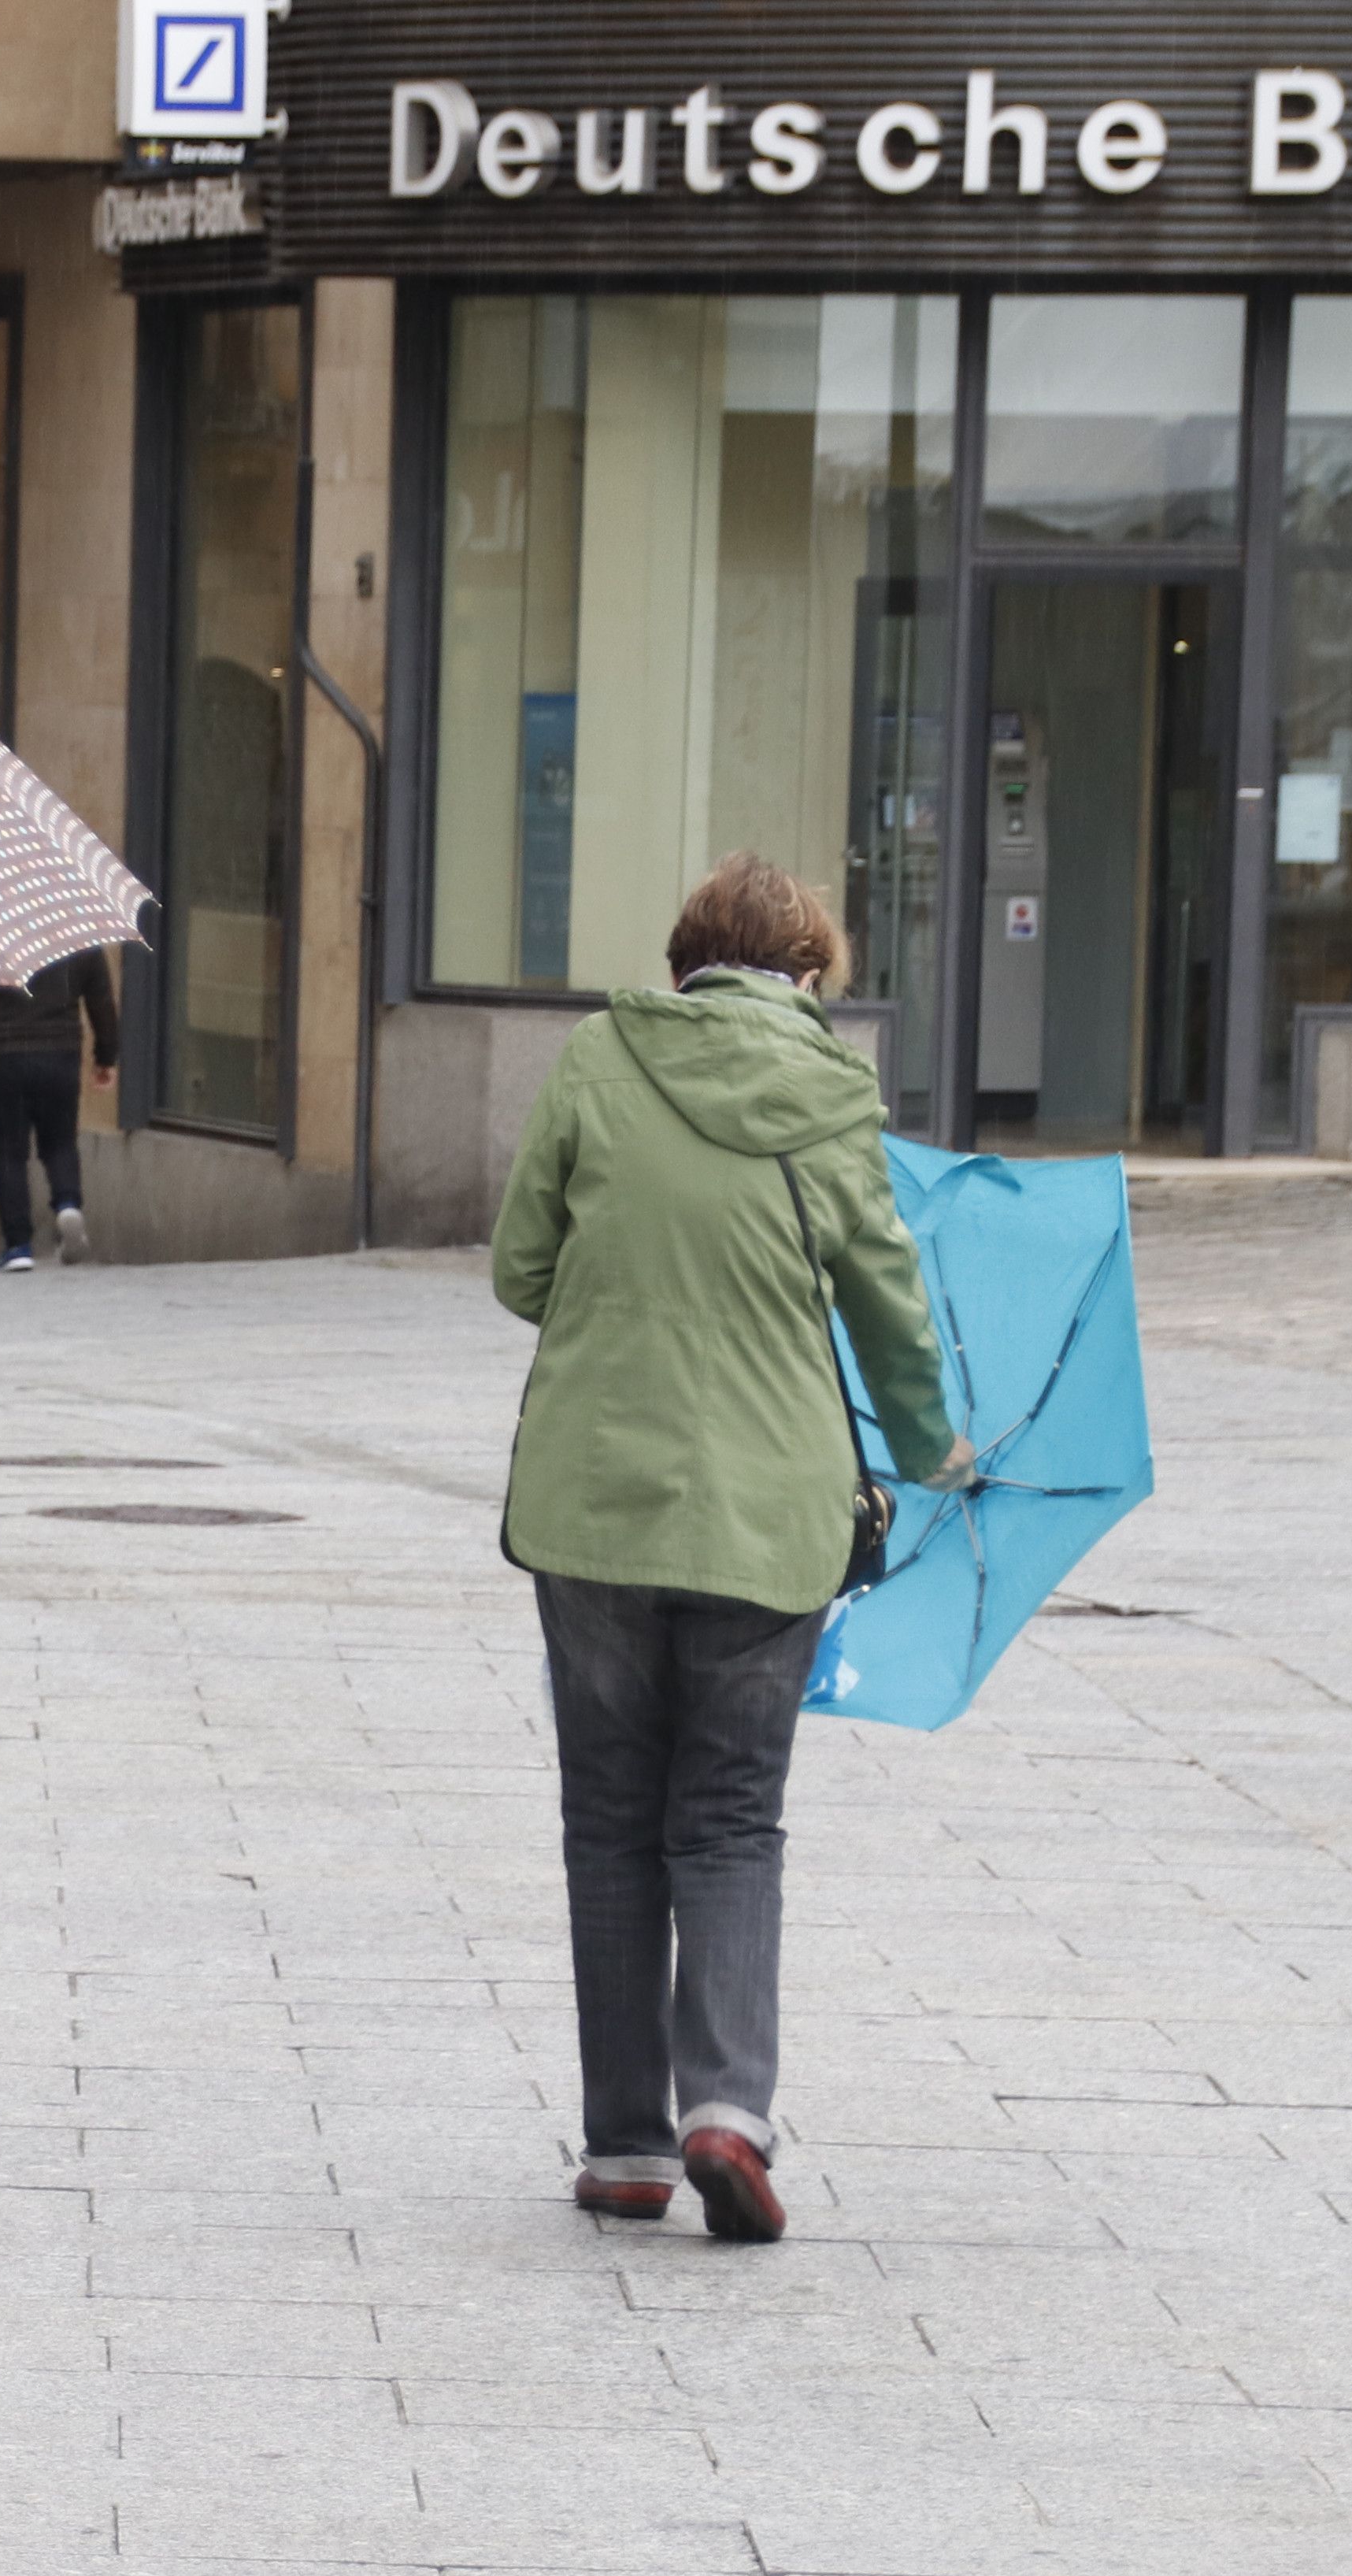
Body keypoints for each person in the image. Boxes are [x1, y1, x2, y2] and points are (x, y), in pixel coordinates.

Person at [488, 856, 959, 2246]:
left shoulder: (596, 1059)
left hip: (596, 1501)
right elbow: (888, 1310)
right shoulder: (832, 1097)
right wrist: (933, 1448)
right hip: (771, 1517)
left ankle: (627, 2145)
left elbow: (521, 1270)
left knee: (608, 1819)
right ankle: (727, 2114)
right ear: (809, 974)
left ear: (683, 959)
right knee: (731, 1817)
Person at [0, 947, 123, 1269]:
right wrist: (106, 1056)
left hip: (4, 1055)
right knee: (61, 1142)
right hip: (61, 1053)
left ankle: (18, 1245)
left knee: (10, 1152)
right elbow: (102, 1000)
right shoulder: (80, 936)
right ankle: (67, 1205)